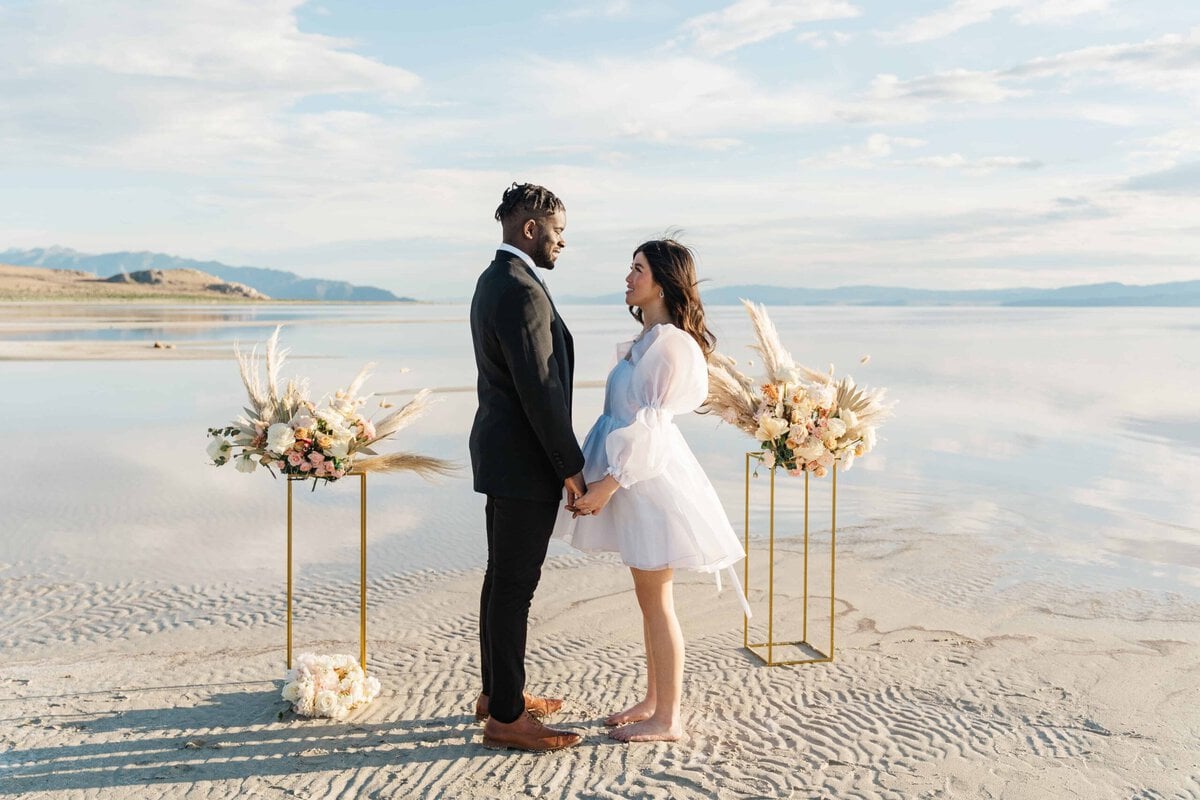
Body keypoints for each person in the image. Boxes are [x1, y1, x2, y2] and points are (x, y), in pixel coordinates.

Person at [556, 238, 750, 743]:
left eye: (637, 269)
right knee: (648, 598)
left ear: (662, 282)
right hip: (634, 484)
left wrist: (606, 486)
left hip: (648, 484)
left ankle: (670, 718)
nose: (628, 277)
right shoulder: (649, 341)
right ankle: (654, 699)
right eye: (630, 267)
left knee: (658, 599)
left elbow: (653, 428)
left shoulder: (670, 345)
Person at [469, 182, 587, 752]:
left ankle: (498, 695)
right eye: (559, 231)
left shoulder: (497, 279)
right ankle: (508, 719)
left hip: (503, 456)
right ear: (531, 228)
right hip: (522, 463)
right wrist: (570, 465)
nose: (564, 242)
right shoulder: (518, 289)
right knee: (514, 588)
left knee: (501, 583)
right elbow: (539, 388)